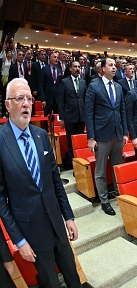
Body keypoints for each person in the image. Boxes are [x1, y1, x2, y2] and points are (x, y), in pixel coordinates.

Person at [0, 78, 81, 288]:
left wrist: (69, 216)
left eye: (29, 98)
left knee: (73, 277)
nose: (26, 103)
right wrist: (19, 241)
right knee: (50, 283)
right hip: (31, 230)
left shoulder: (41, 135)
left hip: (56, 222)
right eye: (20, 98)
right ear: (7, 104)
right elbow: (0, 200)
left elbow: (55, 181)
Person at [85, 58, 128, 216]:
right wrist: (91, 137)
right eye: (110, 65)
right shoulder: (93, 86)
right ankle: (104, 201)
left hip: (117, 133)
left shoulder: (117, 86)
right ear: (101, 69)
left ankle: (119, 194)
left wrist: (124, 132)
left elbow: (122, 110)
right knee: (101, 171)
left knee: (117, 167)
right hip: (101, 135)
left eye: (115, 65)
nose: (114, 67)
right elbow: (88, 113)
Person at [58, 61, 86, 166]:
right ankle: (72, 163)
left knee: (80, 141)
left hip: (81, 116)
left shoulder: (83, 82)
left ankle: (80, 163)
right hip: (69, 116)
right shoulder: (65, 82)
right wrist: (62, 118)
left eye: (79, 67)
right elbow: (60, 101)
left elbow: (85, 99)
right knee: (70, 142)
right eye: (75, 67)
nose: (77, 68)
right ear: (70, 69)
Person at [38, 52, 63, 118]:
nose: (56, 59)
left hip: (57, 99)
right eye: (54, 57)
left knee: (58, 117)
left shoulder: (60, 71)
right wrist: (43, 99)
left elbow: (61, 86)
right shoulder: (45, 69)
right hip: (47, 98)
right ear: (50, 59)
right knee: (46, 117)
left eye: (57, 58)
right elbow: (41, 85)